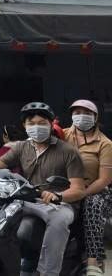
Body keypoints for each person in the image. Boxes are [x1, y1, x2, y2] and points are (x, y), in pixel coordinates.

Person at [0, 102, 85, 276]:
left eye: (42, 123)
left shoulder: (68, 151)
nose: (36, 127)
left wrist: (58, 195)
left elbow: (78, 189)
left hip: (58, 203)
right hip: (28, 197)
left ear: (51, 124)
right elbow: (0, 163)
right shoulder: (22, 147)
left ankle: (48, 272)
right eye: (31, 123)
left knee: (59, 220)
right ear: (25, 126)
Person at [62, 100, 112, 275]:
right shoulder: (62, 135)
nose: (81, 116)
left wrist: (81, 193)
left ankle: (94, 260)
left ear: (95, 117)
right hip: (65, 188)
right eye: (77, 113)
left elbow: (104, 179)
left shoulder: (105, 143)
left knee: (92, 203)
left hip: (95, 191)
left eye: (87, 113)